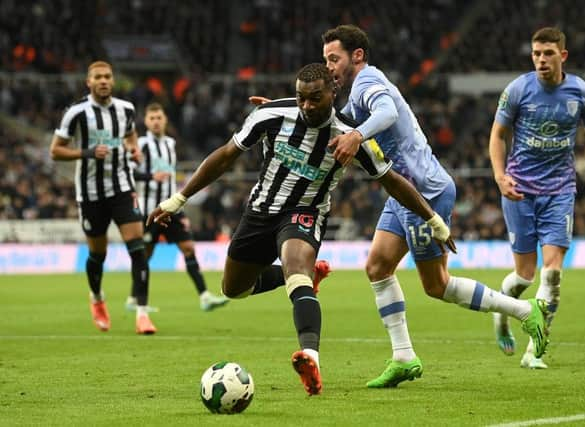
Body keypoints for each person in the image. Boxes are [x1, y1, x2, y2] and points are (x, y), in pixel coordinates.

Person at [148, 63, 455, 395]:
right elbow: (224, 157)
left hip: (305, 213)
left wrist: (433, 219)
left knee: (296, 270)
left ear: (332, 94)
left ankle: (310, 358)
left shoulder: (351, 135)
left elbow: (392, 182)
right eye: (301, 98)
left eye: (315, 99)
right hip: (260, 212)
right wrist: (177, 199)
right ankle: (311, 278)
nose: (307, 106)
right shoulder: (271, 115)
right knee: (233, 289)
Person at [318, 24, 552, 388]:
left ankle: (525, 310)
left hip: (425, 192)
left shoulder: (368, 82)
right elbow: (331, 124)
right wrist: (281, 113)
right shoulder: (355, 95)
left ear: (357, 56)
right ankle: (404, 357)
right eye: (326, 60)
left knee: (436, 285)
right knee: (378, 266)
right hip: (403, 193)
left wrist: (357, 135)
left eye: (334, 58)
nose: (329, 66)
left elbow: (386, 115)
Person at [489, 27, 585, 369]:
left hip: (560, 190)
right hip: (519, 191)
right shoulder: (517, 90)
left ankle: (534, 351)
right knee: (525, 276)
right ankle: (500, 314)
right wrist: (500, 177)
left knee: (552, 274)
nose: (541, 60)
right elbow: (497, 136)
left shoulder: (581, 93)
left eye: (548, 54)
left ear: (563, 56)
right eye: (536, 54)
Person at [50, 60, 156, 334]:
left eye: (107, 76)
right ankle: (97, 298)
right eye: (97, 77)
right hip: (90, 193)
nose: (103, 81)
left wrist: (134, 150)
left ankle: (143, 314)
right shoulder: (76, 113)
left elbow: (131, 136)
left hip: (122, 187)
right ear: (89, 82)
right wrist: (86, 153)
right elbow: (56, 150)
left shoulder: (126, 109)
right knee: (98, 254)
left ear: (113, 80)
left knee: (138, 249)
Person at [126, 102, 229, 312]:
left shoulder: (171, 144)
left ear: (165, 120)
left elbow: (171, 178)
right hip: (148, 212)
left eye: (159, 118)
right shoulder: (143, 144)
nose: (155, 122)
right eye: (151, 118)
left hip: (170, 209)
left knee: (188, 248)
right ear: (146, 122)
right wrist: (150, 176)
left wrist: (178, 205)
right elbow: (128, 172)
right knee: (144, 256)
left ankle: (204, 296)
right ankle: (133, 299)